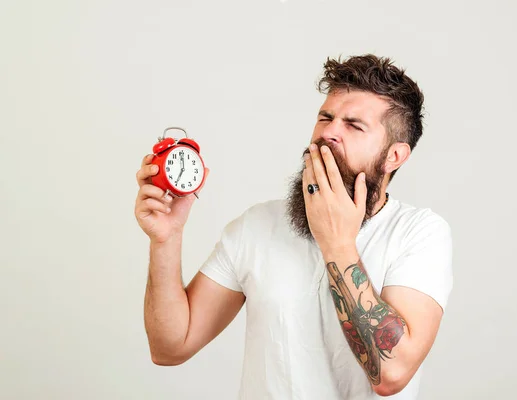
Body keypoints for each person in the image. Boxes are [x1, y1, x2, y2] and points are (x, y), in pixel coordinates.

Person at [134, 54, 453, 400]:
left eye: (354, 125)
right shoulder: (256, 226)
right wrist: (167, 239)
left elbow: (391, 374)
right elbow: (170, 347)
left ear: (394, 156)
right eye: (325, 118)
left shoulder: (420, 234)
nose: (329, 132)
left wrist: (337, 243)